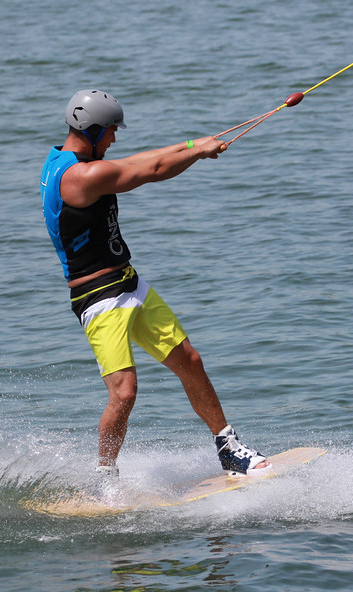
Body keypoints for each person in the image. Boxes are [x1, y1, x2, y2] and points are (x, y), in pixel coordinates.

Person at [40, 89, 270, 478]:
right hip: (97, 299)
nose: (114, 139)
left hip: (128, 282)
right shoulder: (81, 175)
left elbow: (138, 160)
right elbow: (152, 171)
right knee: (124, 393)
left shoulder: (69, 158)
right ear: (93, 130)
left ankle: (229, 450)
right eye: (111, 131)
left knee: (190, 362)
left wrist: (197, 143)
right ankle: (105, 477)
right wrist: (197, 153)